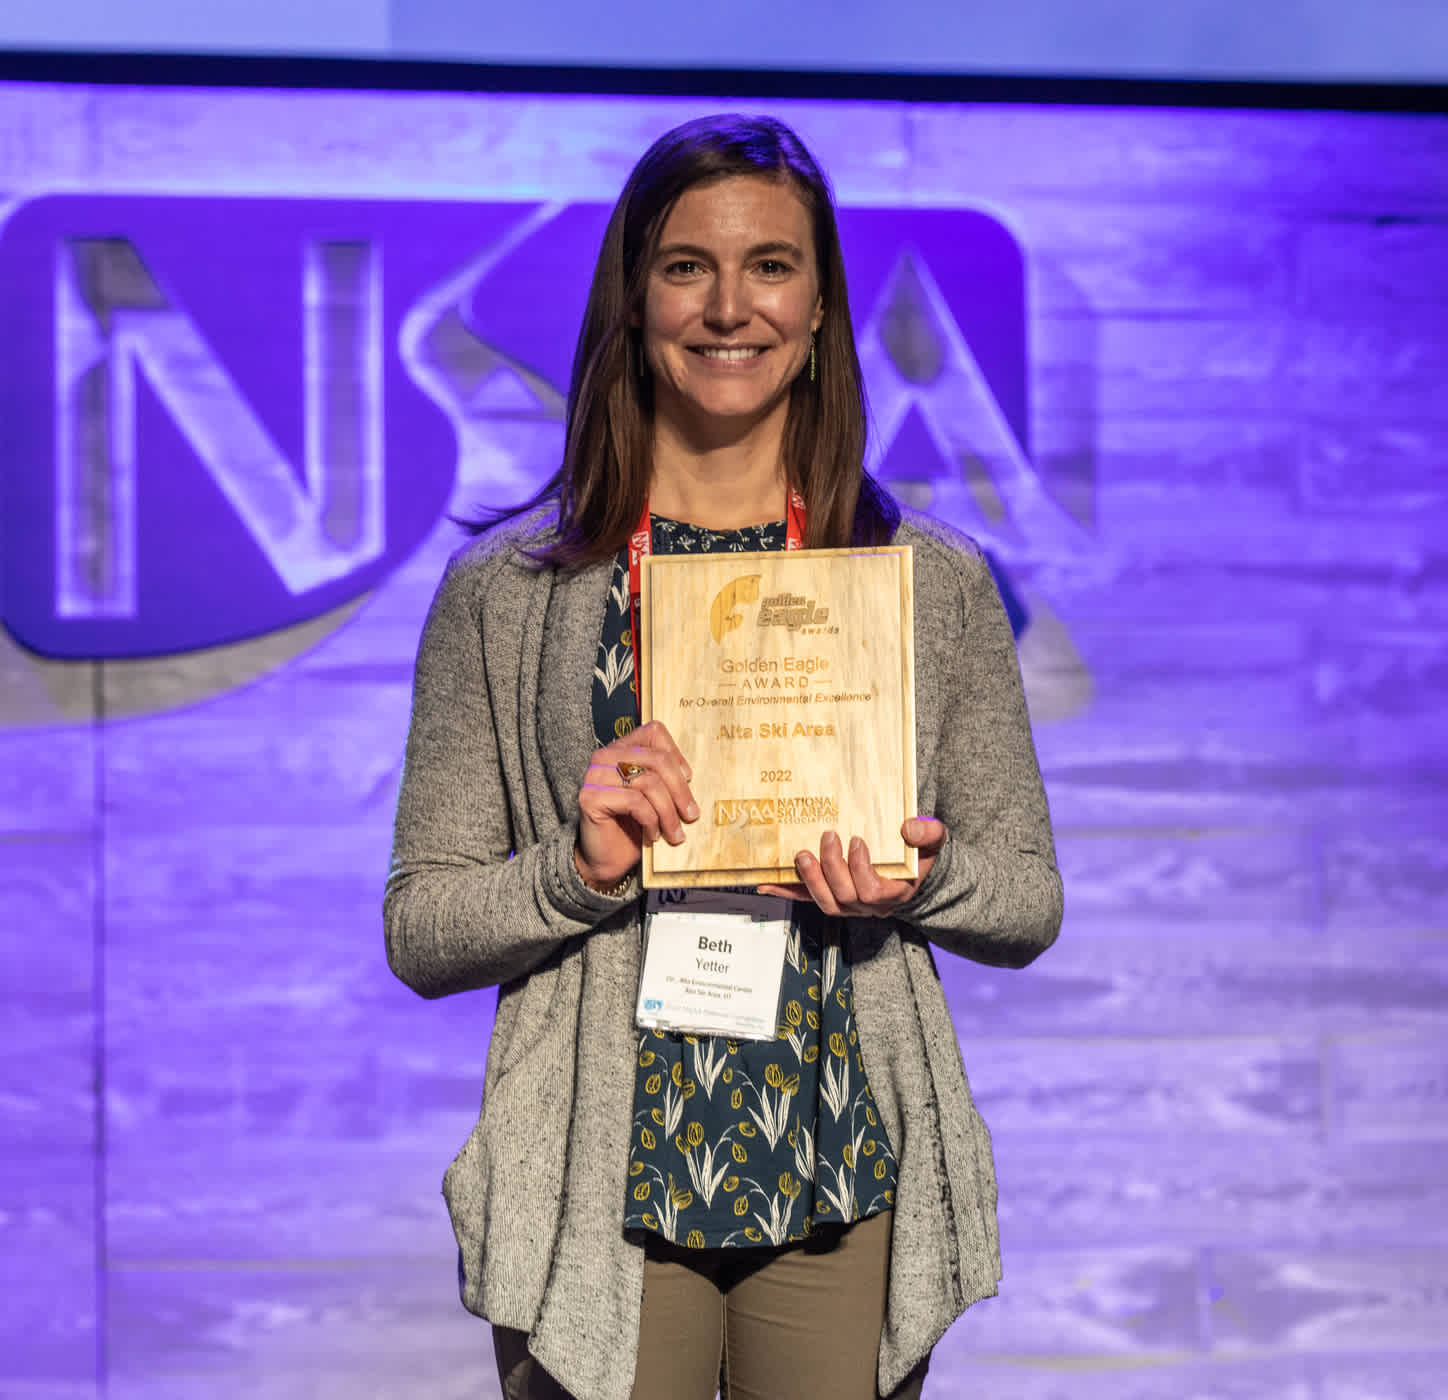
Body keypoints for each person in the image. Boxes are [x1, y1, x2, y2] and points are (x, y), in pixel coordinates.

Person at [383, 113, 1061, 1400]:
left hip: (838, 1150)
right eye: (687, 265)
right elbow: (421, 924)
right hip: (598, 1159)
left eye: (771, 266)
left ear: (819, 309)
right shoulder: (507, 594)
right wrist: (573, 871)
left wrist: (920, 876)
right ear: (633, 302)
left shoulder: (930, 584)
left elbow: (1028, 896)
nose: (728, 306)